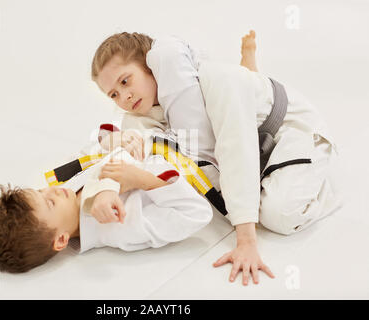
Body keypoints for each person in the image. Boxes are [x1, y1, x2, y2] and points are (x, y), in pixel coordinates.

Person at [90, 30, 342, 286]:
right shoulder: (143, 114)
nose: (124, 97)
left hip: (291, 131)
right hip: (255, 141)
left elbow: (235, 147)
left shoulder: (217, 78)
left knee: (279, 215)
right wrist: (112, 146)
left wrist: (246, 240)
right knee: (248, 194)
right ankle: (251, 72)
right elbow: (123, 147)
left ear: (150, 65)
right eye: (113, 95)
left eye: (125, 81)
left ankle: (324, 184)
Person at [0, 148, 213, 273]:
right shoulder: (119, 228)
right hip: (201, 163)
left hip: (162, 137)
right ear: (61, 240)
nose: (52, 191)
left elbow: (117, 154)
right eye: (49, 203)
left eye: (41, 191)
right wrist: (143, 180)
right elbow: (197, 213)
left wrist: (106, 186)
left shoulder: (71, 192)